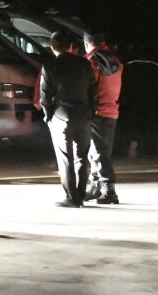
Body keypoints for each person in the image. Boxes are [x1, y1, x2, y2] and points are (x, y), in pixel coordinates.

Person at [40, 31, 97, 207]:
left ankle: (72, 197)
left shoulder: (50, 66)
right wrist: (91, 111)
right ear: (72, 47)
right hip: (84, 114)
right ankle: (80, 193)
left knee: (65, 158)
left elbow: (45, 95)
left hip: (61, 115)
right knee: (82, 156)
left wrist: (48, 115)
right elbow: (93, 90)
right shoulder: (84, 64)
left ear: (52, 47)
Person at [83, 33, 123, 204]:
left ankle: (108, 189)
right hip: (112, 109)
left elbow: (87, 85)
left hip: (96, 111)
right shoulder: (116, 61)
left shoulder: (90, 61)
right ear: (103, 43)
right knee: (102, 150)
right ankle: (95, 186)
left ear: (86, 43)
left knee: (98, 152)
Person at [116, 44, 158, 157]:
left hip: (133, 99)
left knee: (134, 124)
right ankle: (149, 150)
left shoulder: (129, 65)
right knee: (150, 125)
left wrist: (124, 98)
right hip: (151, 99)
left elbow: (123, 82)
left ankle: (133, 143)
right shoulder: (157, 65)